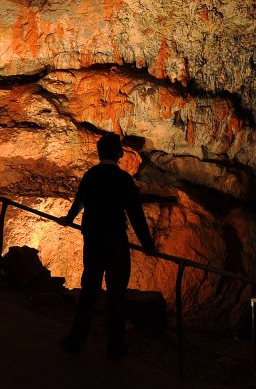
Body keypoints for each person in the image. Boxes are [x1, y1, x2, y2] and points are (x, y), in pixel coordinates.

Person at [60, 133, 156, 359]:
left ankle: (76, 340)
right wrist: (148, 244)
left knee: (89, 290)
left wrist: (69, 218)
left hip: (93, 239)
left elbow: (80, 200)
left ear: (99, 152)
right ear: (120, 154)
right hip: (115, 240)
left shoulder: (90, 175)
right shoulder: (123, 180)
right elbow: (135, 214)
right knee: (116, 294)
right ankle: (115, 346)